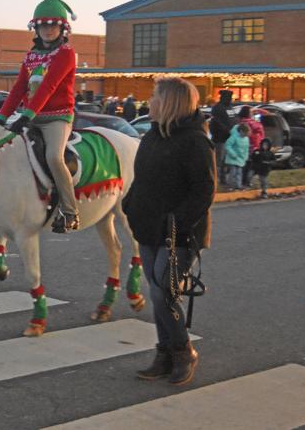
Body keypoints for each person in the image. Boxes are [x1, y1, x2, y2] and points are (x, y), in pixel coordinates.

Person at [122, 77, 215, 386]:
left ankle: (183, 351)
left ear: (170, 102)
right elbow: (142, 180)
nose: (150, 101)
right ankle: (164, 354)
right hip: (148, 228)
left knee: (164, 295)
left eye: (155, 97)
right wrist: (130, 204)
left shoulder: (195, 142)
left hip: (179, 234)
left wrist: (176, 223)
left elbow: (204, 191)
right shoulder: (152, 137)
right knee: (157, 292)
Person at [0, 0, 79, 233]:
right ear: (36, 28)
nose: (47, 30)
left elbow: (49, 86)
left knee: (54, 157)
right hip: (31, 116)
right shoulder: (31, 56)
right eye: (43, 25)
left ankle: (70, 210)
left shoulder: (66, 54)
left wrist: (27, 115)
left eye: (53, 25)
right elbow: (20, 87)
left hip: (57, 117)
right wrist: (1, 117)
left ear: (62, 28)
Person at [209, 89, 234, 184]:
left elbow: (233, 120)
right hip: (220, 139)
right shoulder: (217, 108)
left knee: (227, 160)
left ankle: (225, 178)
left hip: (230, 139)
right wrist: (227, 130)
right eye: (229, 98)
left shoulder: (230, 108)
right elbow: (216, 122)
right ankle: (218, 179)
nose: (231, 99)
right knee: (219, 160)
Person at [237, 106, 264, 187]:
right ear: (247, 113)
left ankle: (245, 181)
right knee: (251, 164)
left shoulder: (242, 122)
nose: (252, 113)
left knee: (248, 164)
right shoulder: (249, 122)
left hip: (251, 145)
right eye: (251, 112)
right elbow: (258, 128)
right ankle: (246, 181)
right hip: (252, 145)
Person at [224, 123, 251, 190]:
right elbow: (227, 145)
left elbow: (246, 148)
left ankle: (238, 185)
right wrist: (233, 154)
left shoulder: (246, 139)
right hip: (233, 158)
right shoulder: (234, 137)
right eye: (244, 134)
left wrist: (246, 156)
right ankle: (230, 186)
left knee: (239, 172)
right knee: (233, 172)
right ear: (241, 131)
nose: (245, 135)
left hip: (241, 158)